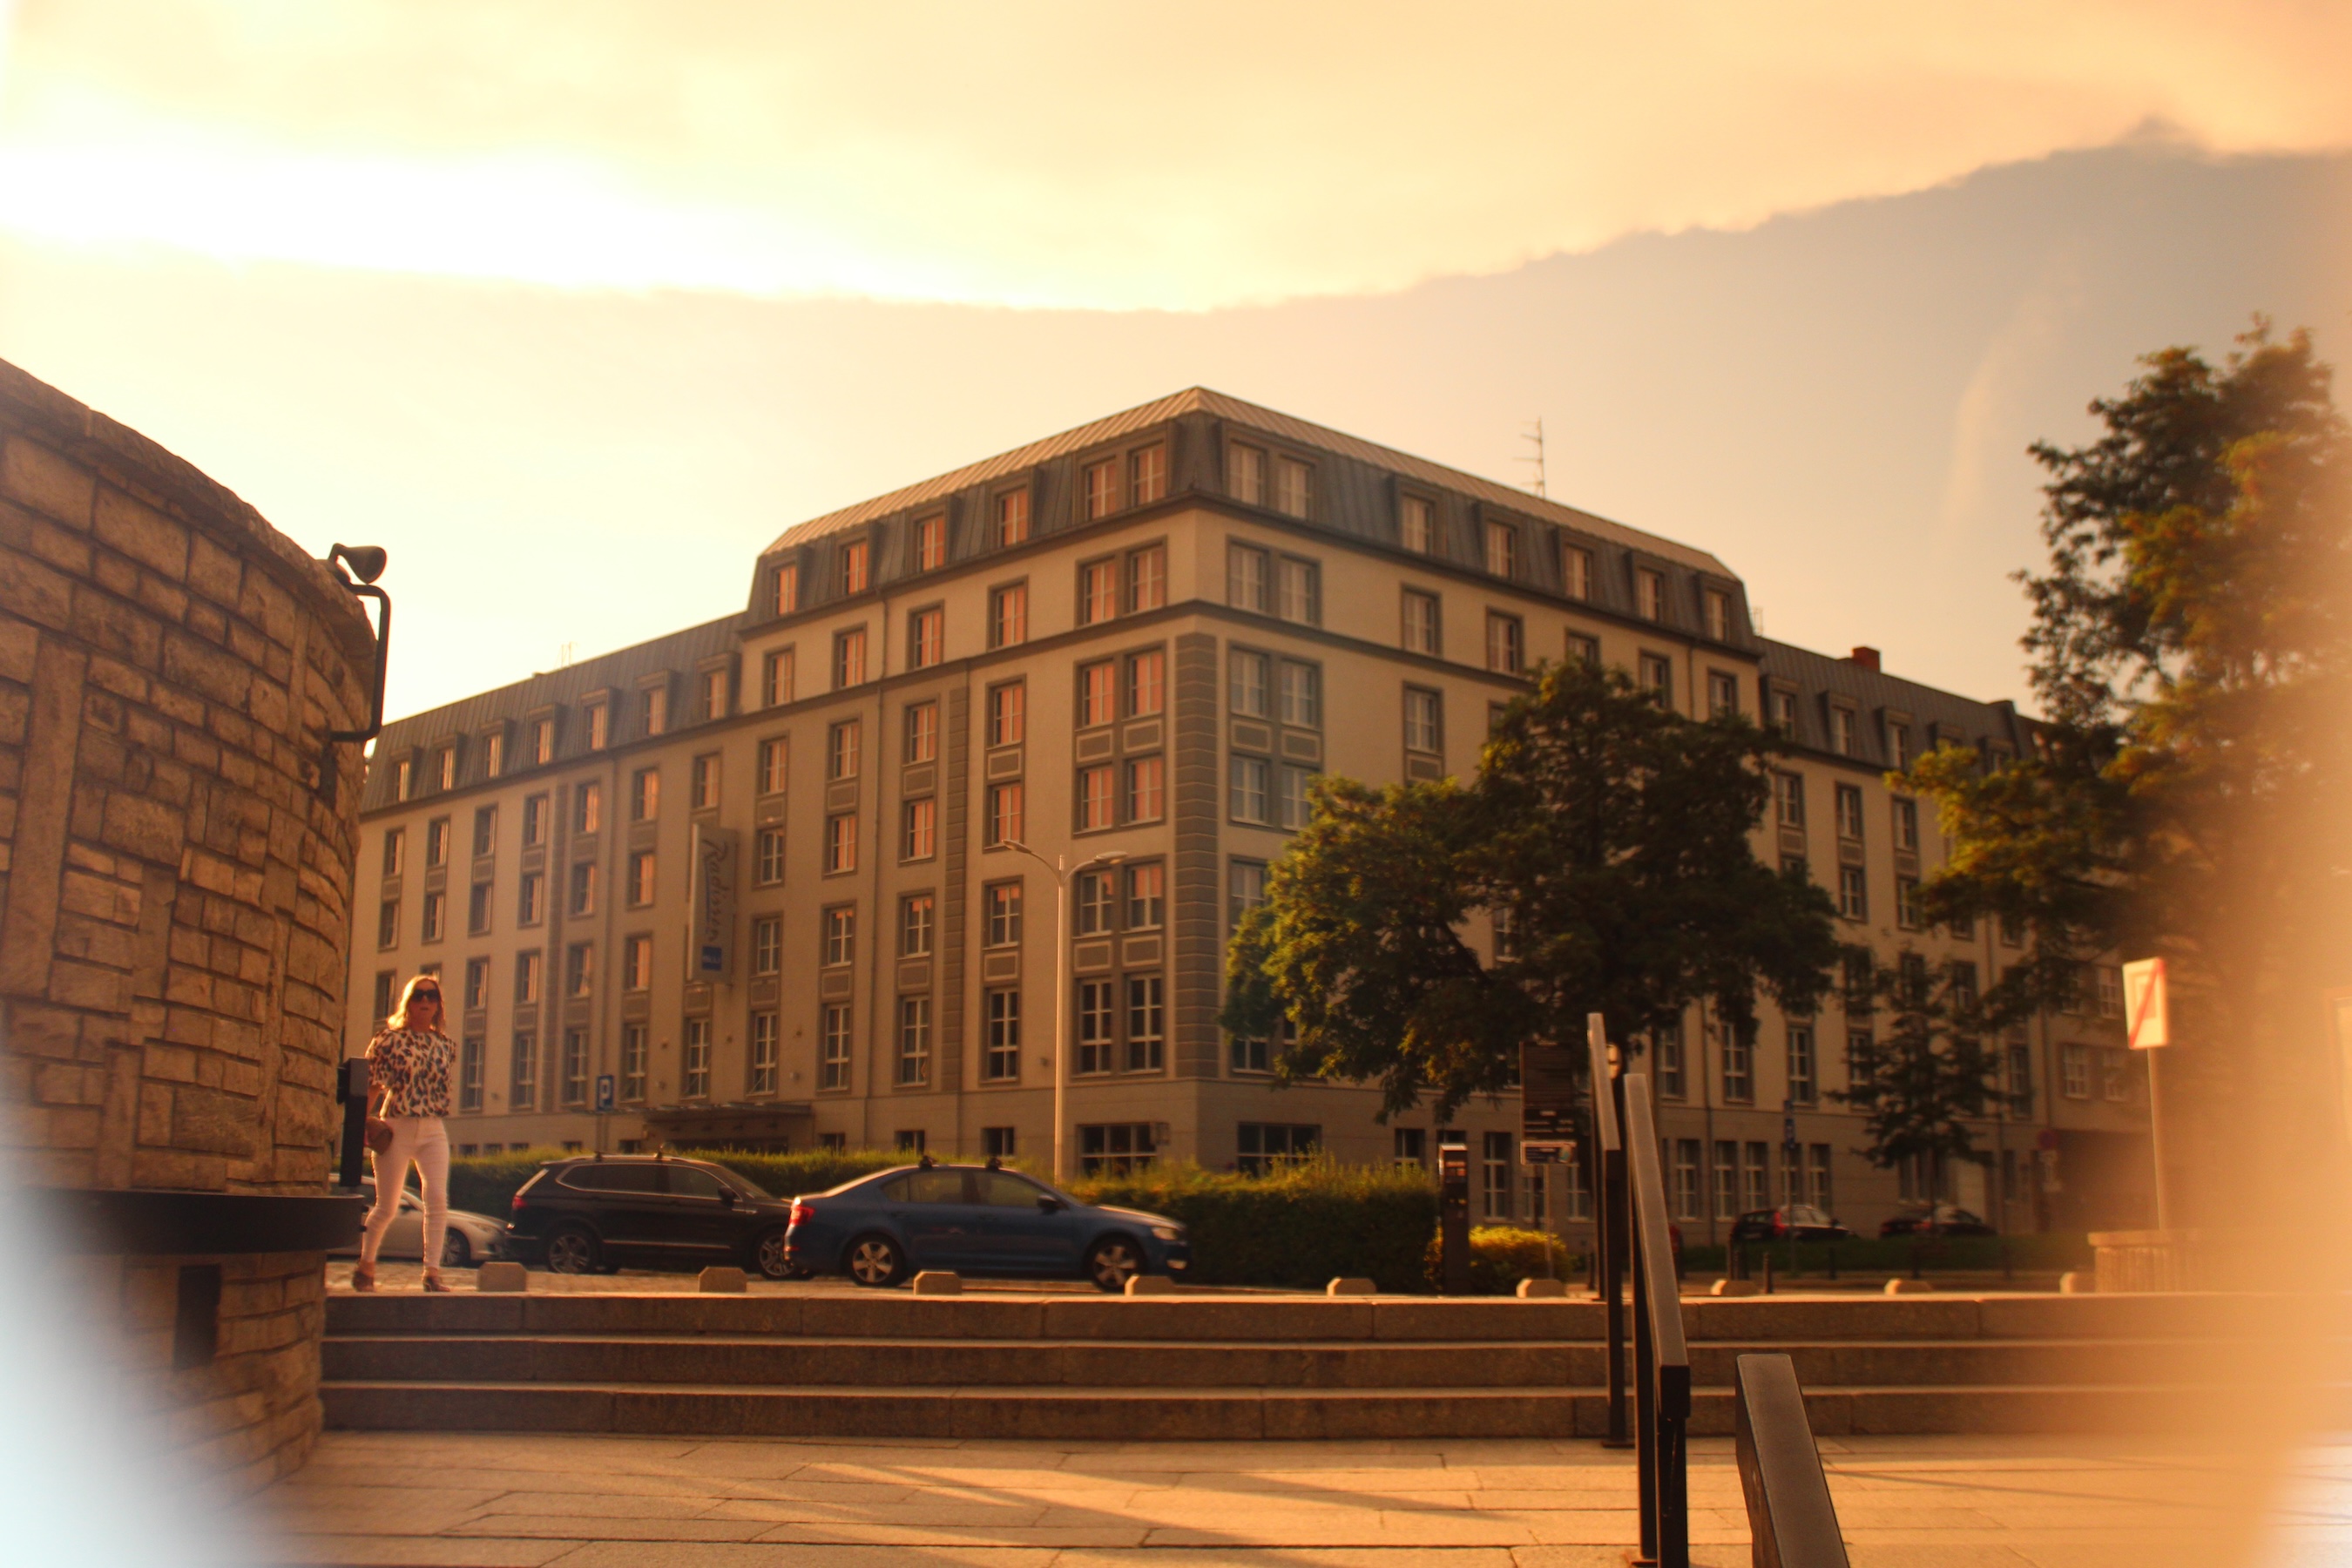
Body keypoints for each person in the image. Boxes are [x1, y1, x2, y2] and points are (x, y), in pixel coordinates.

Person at [352, 975, 456, 1293]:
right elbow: (374, 1085)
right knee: (387, 1206)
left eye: (432, 996)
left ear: (438, 1004)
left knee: (437, 1200)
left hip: (433, 1127)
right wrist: (360, 1126)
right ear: (408, 1002)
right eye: (419, 995)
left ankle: (433, 1273)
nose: (425, 1001)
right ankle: (366, 1265)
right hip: (397, 1124)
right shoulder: (389, 1040)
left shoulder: (446, 1045)